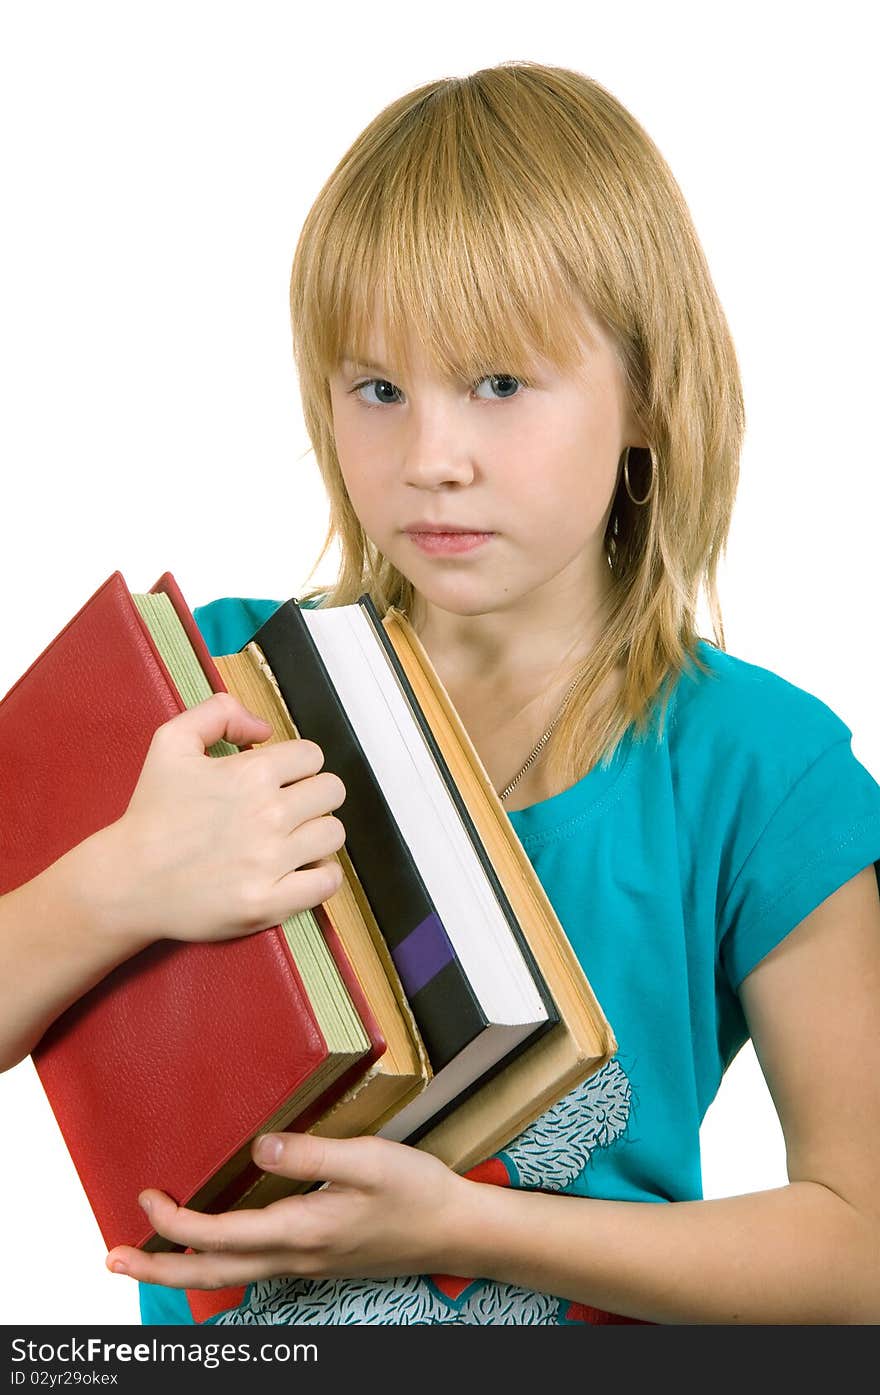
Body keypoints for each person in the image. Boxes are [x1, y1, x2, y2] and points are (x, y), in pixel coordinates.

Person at [3, 60, 880, 1326]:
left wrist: (469, 1226)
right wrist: (119, 882)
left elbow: (858, 1251)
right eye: (377, 390)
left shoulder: (759, 767)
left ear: (646, 396)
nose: (431, 461)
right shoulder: (210, 687)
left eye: (500, 386)